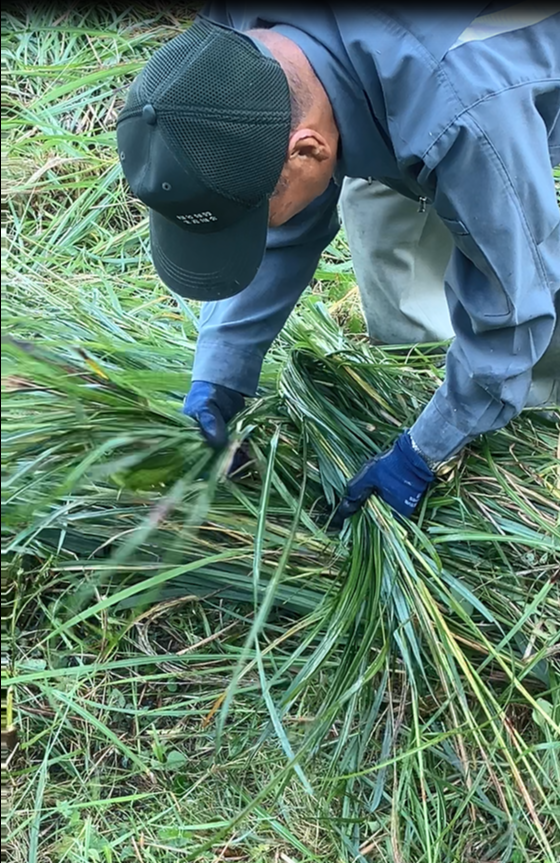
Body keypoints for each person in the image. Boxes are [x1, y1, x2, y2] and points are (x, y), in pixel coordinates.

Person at [116, 5, 560, 523]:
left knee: (528, 292)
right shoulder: (228, 42)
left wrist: (426, 454)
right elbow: (281, 179)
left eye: (258, 222)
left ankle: (528, 413)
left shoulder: (465, 120)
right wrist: (219, 373)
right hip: (402, 79)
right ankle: (423, 372)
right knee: (375, 213)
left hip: (494, 65)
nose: (264, 232)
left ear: (309, 150)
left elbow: (514, 307)